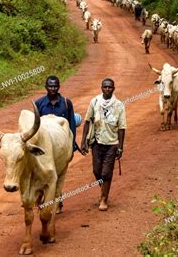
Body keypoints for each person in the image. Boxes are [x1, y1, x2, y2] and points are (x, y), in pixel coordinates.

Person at [80, 78, 126, 211]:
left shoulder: (119, 105)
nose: (107, 89)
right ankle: (104, 190)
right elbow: (87, 121)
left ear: (113, 89)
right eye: (105, 87)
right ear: (101, 88)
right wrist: (84, 141)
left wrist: (120, 147)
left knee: (106, 172)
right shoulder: (94, 102)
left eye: (110, 87)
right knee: (96, 171)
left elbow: (122, 127)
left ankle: (103, 199)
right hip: (96, 142)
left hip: (112, 143)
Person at [35, 75, 79, 213]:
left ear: (59, 87)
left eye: (55, 86)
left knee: (58, 173)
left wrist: (72, 146)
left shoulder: (66, 103)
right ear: (46, 87)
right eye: (50, 86)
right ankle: (45, 199)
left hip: (61, 147)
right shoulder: (38, 104)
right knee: (45, 173)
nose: (52, 88)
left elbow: (71, 126)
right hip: (45, 148)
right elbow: (35, 128)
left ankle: (57, 201)